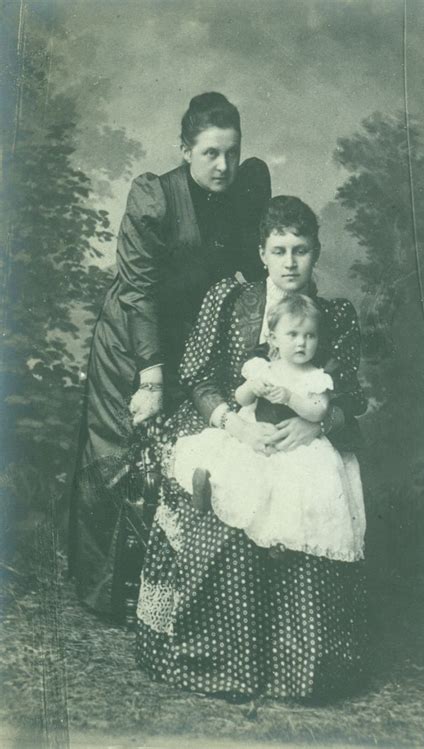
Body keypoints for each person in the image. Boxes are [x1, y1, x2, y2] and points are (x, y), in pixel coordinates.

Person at [136, 195, 368, 701]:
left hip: (307, 438)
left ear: (316, 254)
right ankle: (227, 664)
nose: (290, 262)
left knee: (309, 511)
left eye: (301, 250)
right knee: (232, 517)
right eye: (279, 250)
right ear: (261, 253)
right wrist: (231, 423)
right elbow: (196, 375)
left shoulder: (335, 316)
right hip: (236, 426)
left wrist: (320, 425)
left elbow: (350, 395)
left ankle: (297, 670)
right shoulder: (229, 299)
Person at [68, 92, 271, 621]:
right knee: (119, 455)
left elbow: (253, 271)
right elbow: (138, 293)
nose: (223, 165)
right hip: (132, 340)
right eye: (209, 153)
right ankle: (105, 592)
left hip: (193, 342)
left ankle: (166, 593)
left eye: (231, 151)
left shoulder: (246, 190)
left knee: (180, 455)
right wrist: (151, 378)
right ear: (185, 150)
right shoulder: (155, 197)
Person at [172, 294, 365, 563]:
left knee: (289, 485)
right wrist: (252, 387)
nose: (301, 343)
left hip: (293, 444)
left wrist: (290, 397)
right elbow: (240, 399)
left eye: (309, 336)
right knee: (233, 461)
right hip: (256, 433)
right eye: (293, 335)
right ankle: (207, 486)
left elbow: (318, 410)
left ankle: (280, 539)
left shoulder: (315, 376)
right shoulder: (262, 367)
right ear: (273, 339)